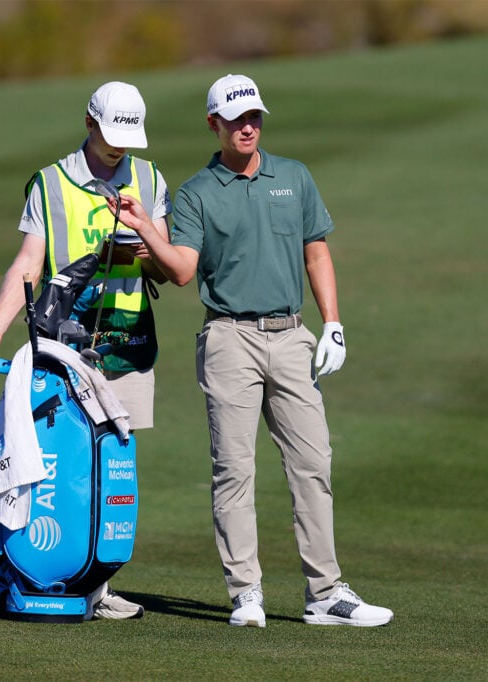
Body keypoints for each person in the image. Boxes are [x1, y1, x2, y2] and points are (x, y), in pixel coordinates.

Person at [106, 74, 393, 627]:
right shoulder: (195, 193)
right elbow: (184, 272)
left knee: (313, 464)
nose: (248, 127)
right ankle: (247, 595)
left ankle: (326, 594)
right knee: (234, 470)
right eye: (236, 120)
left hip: (291, 336)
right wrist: (146, 227)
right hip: (228, 339)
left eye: (254, 117)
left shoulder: (295, 177)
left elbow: (317, 253)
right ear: (214, 123)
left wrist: (332, 324)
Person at [0, 81, 172, 621]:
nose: (119, 147)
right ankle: (47, 570)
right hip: (62, 349)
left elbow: (164, 264)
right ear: (89, 123)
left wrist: (140, 232)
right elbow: (29, 264)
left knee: (112, 467)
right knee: (61, 467)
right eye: (110, 135)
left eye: (128, 137)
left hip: (125, 344)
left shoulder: (149, 179)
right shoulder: (51, 183)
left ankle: (98, 584)